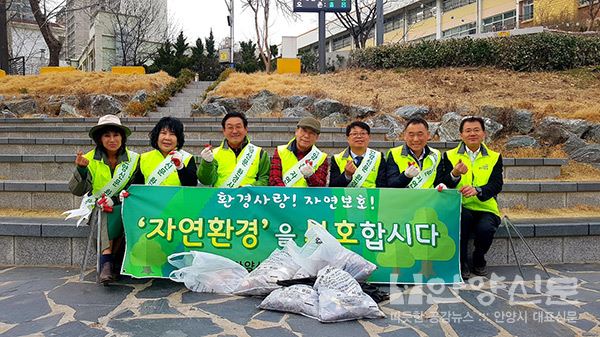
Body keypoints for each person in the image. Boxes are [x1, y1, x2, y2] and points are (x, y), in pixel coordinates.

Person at [67, 114, 139, 285]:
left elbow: (136, 186)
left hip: (125, 203)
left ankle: (107, 262)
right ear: (100, 138)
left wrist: (116, 200)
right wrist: (82, 170)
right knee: (105, 212)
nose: (112, 139)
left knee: (117, 211)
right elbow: (77, 190)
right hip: (97, 206)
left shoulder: (135, 159)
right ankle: (108, 263)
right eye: (107, 135)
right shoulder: (89, 159)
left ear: (123, 137)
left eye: (116, 135)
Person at [437, 116, 503, 278]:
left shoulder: (494, 157)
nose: (472, 134)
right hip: (459, 205)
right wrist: (455, 174)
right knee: (461, 222)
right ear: (461, 135)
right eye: (468, 131)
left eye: (476, 130)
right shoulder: (449, 156)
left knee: (486, 229)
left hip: (485, 206)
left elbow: (497, 184)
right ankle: (462, 262)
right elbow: (442, 183)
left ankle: (479, 257)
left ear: (484, 134)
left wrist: (478, 190)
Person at [197, 112, 270, 187]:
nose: (234, 131)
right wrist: (207, 163)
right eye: (230, 127)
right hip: (222, 197)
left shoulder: (260, 153)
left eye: (238, 127)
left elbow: (265, 179)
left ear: (245, 129)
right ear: (224, 131)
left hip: (249, 197)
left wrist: (252, 187)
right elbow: (206, 181)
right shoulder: (214, 154)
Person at [133, 117, 198, 186]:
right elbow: (137, 187)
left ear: (178, 139)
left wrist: (181, 167)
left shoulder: (187, 158)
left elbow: (192, 186)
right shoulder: (143, 158)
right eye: (163, 133)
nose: (167, 138)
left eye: (172, 134)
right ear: (157, 136)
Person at [386, 117, 444, 189]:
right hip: (405, 199)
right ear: (405, 136)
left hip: (430, 199)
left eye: (420, 134)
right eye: (411, 135)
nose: (416, 139)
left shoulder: (436, 154)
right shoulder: (394, 154)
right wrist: (405, 176)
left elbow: (439, 181)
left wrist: (441, 186)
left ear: (428, 135)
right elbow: (390, 184)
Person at [270, 117, 329, 187]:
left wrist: (310, 176)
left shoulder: (321, 157)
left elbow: (321, 186)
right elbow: (274, 179)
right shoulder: (280, 151)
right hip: (285, 196)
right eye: (304, 131)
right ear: (296, 131)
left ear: (317, 137)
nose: (306, 136)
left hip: (308, 197)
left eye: (312, 133)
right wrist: (290, 195)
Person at [330, 121, 386, 187]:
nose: (359, 136)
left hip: (372, 196)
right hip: (347, 196)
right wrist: (347, 176)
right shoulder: (337, 159)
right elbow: (333, 187)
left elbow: (383, 185)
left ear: (369, 137)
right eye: (354, 134)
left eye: (363, 133)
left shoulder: (378, 156)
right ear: (348, 138)